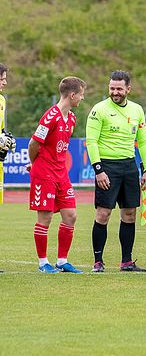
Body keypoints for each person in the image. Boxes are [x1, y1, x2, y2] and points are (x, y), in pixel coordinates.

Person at [85, 71, 146, 273]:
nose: (115, 92)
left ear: (128, 89)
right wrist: (99, 170)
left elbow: (144, 141)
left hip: (129, 167)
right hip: (107, 167)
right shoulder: (99, 110)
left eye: (119, 89)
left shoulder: (137, 110)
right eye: (112, 88)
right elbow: (91, 141)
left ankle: (126, 262)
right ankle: (98, 261)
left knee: (129, 214)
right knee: (103, 214)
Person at [28, 76, 86, 273]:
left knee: (70, 215)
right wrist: (34, 163)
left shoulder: (71, 118)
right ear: (72, 95)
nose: (82, 98)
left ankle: (62, 261)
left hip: (61, 173)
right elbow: (33, 143)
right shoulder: (50, 117)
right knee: (45, 219)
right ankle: (43, 263)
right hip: (44, 173)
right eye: (81, 94)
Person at [0, 63, 11, 210]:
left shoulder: (2, 100)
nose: (5, 82)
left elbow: (1, 129)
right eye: (2, 78)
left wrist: (5, 138)